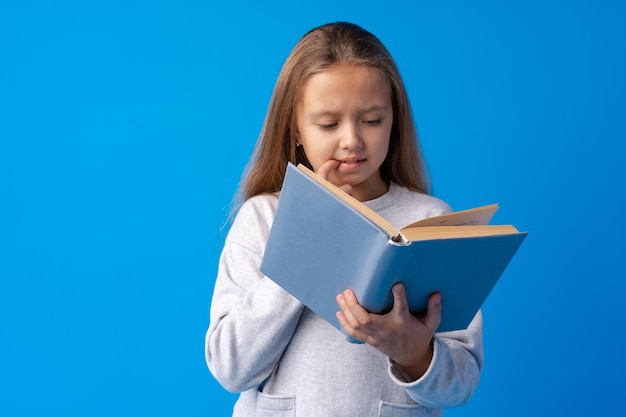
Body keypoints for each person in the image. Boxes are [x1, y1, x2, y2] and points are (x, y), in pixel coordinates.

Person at [205, 21, 483, 417]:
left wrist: (415, 355)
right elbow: (230, 369)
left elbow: (462, 383)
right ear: (296, 130)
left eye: (372, 120)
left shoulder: (430, 220)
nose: (352, 139)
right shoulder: (263, 219)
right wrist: (304, 241)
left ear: (394, 122)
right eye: (329, 124)